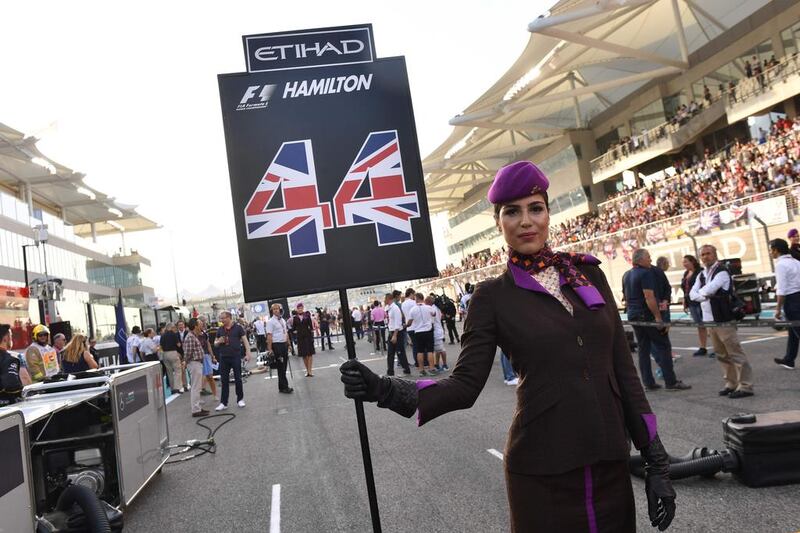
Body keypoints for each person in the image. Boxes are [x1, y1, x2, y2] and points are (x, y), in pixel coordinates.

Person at [340, 161, 676, 532]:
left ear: (549, 213)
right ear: (498, 222)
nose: (526, 220)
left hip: (609, 461)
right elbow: (464, 385)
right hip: (541, 470)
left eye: (535, 208)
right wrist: (384, 389)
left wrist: (655, 460)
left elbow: (623, 371)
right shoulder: (491, 296)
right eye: (512, 211)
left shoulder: (589, 274)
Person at [690, 244, 754, 398]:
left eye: (708, 253)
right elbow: (692, 293)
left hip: (724, 319)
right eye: (703, 254)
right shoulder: (701, 274)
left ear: (715, 254)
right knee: (721, 354)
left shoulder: (722, 271)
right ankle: (731, 383)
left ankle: (745, 386)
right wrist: (701, 296)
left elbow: (708, 290)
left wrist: (701, 295)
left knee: (735, 353)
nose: (705, 256)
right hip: (709, 320)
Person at [623, 249, 690, 391]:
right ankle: (671, 382)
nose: (650, 260)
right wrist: (658, 317)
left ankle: (648, 383)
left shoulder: (626, 274)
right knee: (663, 346)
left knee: (643, 349)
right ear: (640, 260)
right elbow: (649, 297)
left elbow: (627, 298)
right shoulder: (646, 273)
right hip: (646, 315)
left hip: (633, 315)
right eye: (648, 257)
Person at [771, 238, 800, 370]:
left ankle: (789, 359)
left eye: (771, 249)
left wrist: (777, 309)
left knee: (796, 330)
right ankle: (789, 359)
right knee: (793, 332)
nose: (770, 252)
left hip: (792, 301)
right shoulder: (795, 261)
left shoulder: (781, 265)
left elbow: (782, 289)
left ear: (776, 250)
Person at [214, 311, 251, 410]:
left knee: (238, 378)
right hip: (223, 357)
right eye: (220, 318)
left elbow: (245, 340)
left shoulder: (238, 328)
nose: (222, 320)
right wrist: (218, 342)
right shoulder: (220, 329)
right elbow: (215, 343)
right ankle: (223, 402)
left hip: (235, 356)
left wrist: (248, 353)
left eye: (223, 318)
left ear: (229, 317)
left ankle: (240, 399)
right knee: (224, 380)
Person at [681, 255, 710, 357]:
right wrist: (685, 300)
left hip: (702, 302)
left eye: (686, 262)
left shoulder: (701, 272)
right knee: (699, 325)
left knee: (709, 324)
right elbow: (685, 289)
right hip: (691, 303)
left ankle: (718, 347)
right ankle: (703, 347)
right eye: (683, 262)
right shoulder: (686, 274)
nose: (684, 264)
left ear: (692, 261)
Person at [183, 318, 210, 417]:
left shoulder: (193, 336)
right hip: (194, 363)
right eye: (200, 324)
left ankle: (197, 407)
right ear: (195, 326)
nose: (202, 325)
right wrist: (186, 362)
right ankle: (196, 409)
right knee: (195, 387)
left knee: (197, 387)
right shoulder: (190, 337)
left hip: (196, 363)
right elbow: (187, 353)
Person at [407, 293, 436, 376]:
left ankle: (421, 370)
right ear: (423, 298)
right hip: (428, 331)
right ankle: (432, 368)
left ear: (417, 299)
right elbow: (434, 314)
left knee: (420, 351)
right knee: (430, 350)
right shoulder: (428, 307)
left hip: (418, 332)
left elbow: (410, 322)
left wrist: (406, 325)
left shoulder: (412, 310)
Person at [266, 303, 293, 394]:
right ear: (272, 311)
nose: (276, 310)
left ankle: (281, 387)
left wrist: (289, 344)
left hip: (283, 344)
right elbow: (269, 336)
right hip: (276, 345)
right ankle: (285, 387)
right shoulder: (270, 322)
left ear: (280, 309)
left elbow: (286, 333)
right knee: (281, 366)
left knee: (283, 366)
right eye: (274, 309)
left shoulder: (283, 320)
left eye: (277, 309)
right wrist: (270, 349)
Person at [384, 292, 410, 376]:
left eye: (385, 299)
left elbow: (398, 322)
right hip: (391, 331)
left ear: (389, 299)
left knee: (400, 352)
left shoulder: (395, 308)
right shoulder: (389, 308)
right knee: (390, 353)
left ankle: (406, 369)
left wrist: (395, 335)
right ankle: (390, 372)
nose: (384, 300)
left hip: (397, 332)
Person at [1, 324, 26, 406]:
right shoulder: (10, 359)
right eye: (11, 336)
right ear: (5, 338)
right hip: (6, 410)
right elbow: (12, 385)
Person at [293, 303, 316, 377]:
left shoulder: (307, 316)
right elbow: (293, 328)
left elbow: (311, 327)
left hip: (308, 337)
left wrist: (312, 336)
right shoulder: (295, 318)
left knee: (309, 354)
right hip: (300, 338)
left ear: (303, 308)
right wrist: (294, 332)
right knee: (304, 355)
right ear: (297, 309)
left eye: (301, 308)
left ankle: (310, 370)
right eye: (298, 308)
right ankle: (307, 371)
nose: (300, 309)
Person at [160, 323, 184, 394]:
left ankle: (172, 388)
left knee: (169, 372)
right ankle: (178, 388)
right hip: (173, 353)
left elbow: (161, 346)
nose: (175, 329)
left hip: (165, 354)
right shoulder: (173, 334)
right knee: (177, 371)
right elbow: (178, 345)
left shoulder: (163, 335)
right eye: (174, 327)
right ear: (171, 327)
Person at [427, 295, 449, 372]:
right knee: (438, 349)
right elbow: (441, 317)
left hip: (436, 331)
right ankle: (437, 364)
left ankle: (445, 365)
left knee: (441, 349)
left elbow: (432, 321)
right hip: (438, 330)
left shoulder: (432, 309)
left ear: (428, 302)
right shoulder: (436, 308)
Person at [198, 318, 217, 397]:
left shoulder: (204, 334)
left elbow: (208, 345)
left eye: (202, 324)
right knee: (200, 376)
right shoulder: (192, 335)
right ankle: (201, 391)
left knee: (209, 376)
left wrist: (212, 356)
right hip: (198, 358)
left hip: (206, 356)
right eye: (200, 324)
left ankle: (215, 394)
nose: (202, 325)